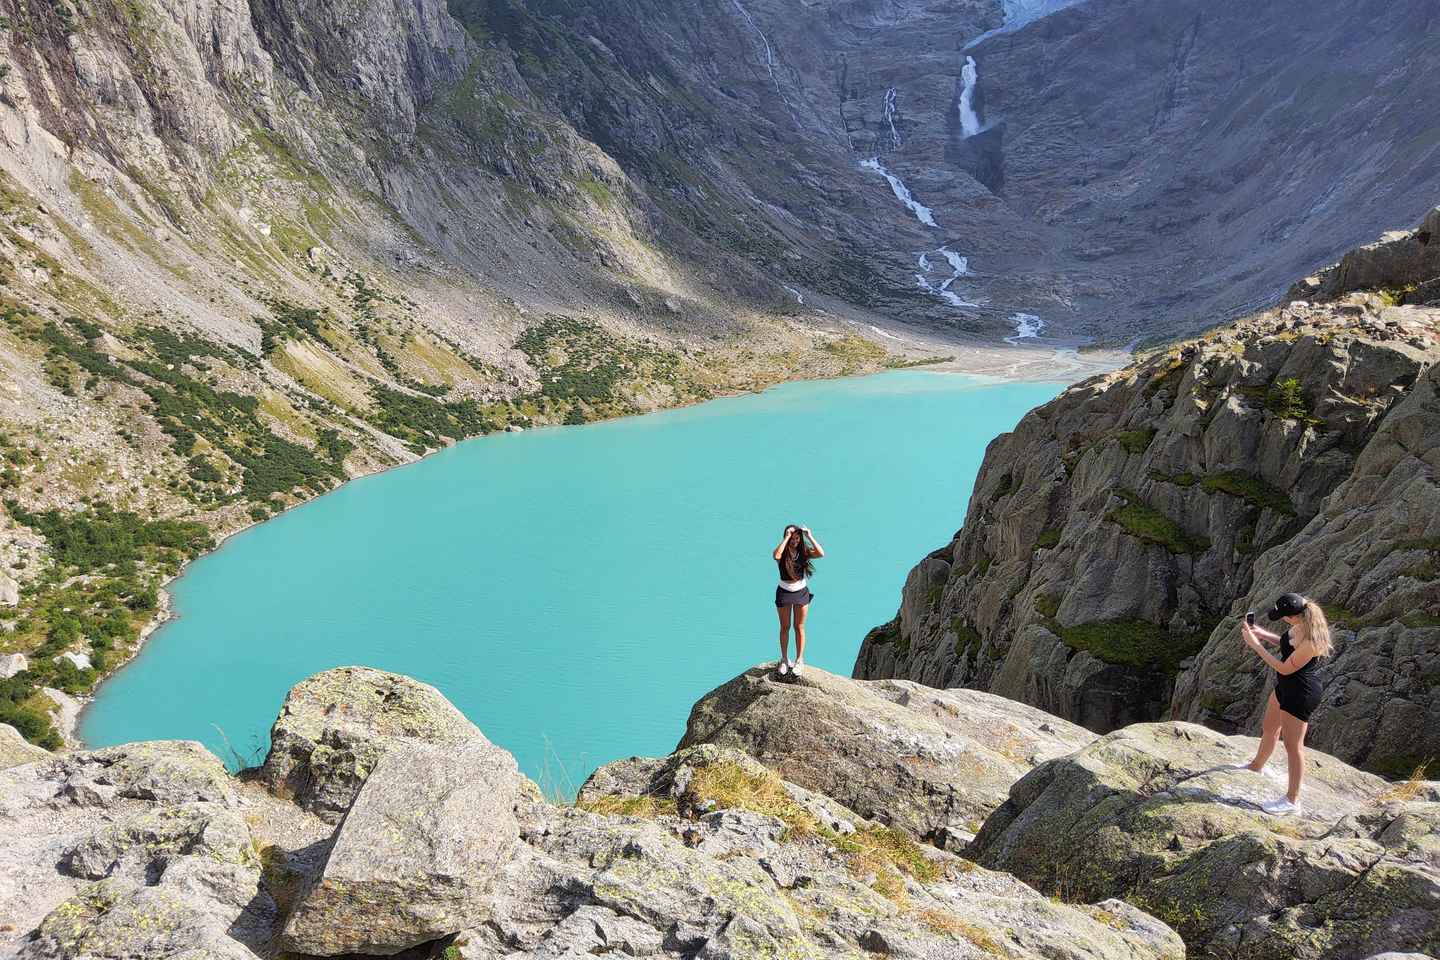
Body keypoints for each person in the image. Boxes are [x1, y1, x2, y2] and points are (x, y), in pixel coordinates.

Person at [1235, 592, 1333, 814]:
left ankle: (1292, 801)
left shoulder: (1311, 640)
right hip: (1285, 687)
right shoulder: (1299, 625)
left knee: (1293, 746)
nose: (1281, 620)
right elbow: (1285, 643)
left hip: (1301, 693)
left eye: (1282, 617)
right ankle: (1256, 766)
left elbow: (1285, 668)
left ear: (1293, 617)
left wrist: (1255, 646)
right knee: (1269, 728)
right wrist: (1261, 634)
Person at [772, 523, 824, 677]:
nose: (795, 541)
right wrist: (787, 537)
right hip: (784, 591)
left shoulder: (804, 552)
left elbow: (821, 553)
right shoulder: (783, 553)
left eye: (797, 538)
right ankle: (784, 659)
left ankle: (799, 660)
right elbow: (776, 556)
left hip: (801, 592)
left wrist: (809, 535)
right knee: (785, 627)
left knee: (799, 626)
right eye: (792, 538)